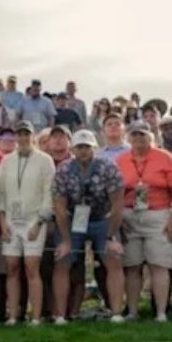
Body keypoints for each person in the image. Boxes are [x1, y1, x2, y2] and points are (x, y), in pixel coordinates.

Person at [52, 130, 125, 324]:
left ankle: (117, 313)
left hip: (103, 218)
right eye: (79, 147)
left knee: (114, 259)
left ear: (94, 148)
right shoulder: (64, 170)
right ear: (72, 149)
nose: (83, 151)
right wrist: (66, 241)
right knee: (62, 261)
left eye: (87, 147)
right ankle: (60, 316)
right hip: (73, 219)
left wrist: (110, 237)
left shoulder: (108, 167)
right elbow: (59, 207)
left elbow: (118, 205)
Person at [116, 122, 172, 322]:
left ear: (151, 136)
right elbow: (116, 192)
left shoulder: (164, 157)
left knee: (159, 264)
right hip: (130, 215)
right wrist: (119, 217)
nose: (139, 139)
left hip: (158, 215)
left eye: (143, 135)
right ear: (128, 137)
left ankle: (161, 313)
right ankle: (132, 311)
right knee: (132, 265)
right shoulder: (121, 160)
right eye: (134, 135)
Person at [0, 121, 55, 326]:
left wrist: (40, 222)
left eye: (26, 134)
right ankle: (13, 315)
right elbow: (0, 193)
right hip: (12, 220)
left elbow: (49, 193)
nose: (22, 138)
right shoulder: (6, 161)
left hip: (34, 220)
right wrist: (2, 222)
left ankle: (36, 316)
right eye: (19, 134)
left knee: (31, 267)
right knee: (11, 267)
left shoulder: (45, 160)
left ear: (33, 137)